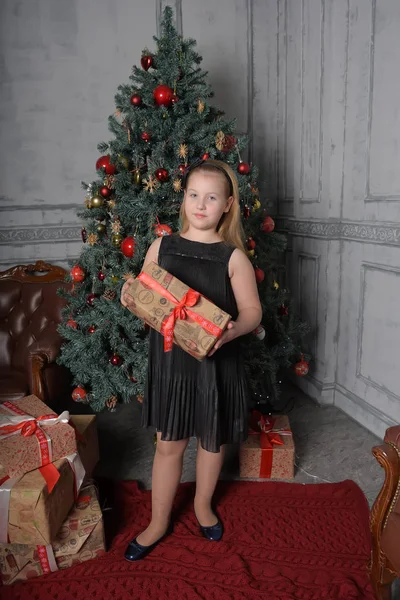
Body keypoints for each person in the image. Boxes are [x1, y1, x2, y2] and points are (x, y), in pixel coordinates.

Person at [120, 159, 262, 561]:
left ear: (228, 204)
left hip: (214, 364)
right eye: (194, 195)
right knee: (169, 444)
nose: (201, 205)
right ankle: (158, 521)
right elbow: (145, 293)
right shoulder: (161, 247)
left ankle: (202, 505)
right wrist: (134, 296)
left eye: (212, 197)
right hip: (172, 365)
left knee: (211, 442)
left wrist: (229, 331)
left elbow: (253, 312)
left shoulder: (232, 257)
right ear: (184, 199)